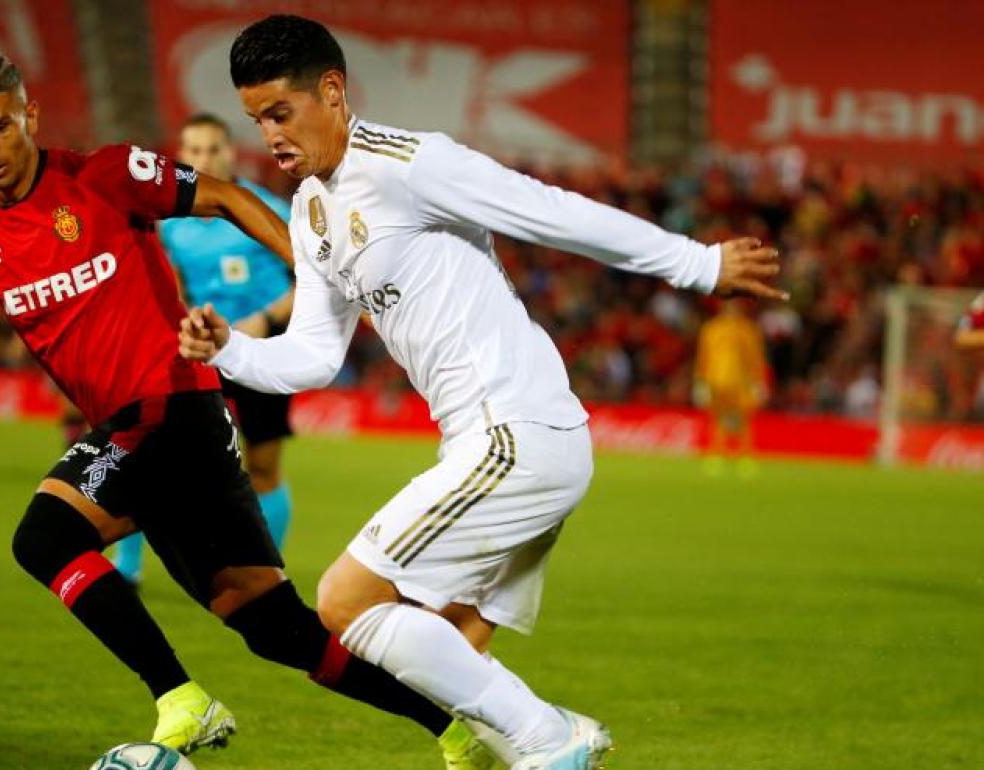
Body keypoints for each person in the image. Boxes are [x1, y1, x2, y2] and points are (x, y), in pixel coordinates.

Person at [180, 16, 786, 770]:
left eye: (280, 112)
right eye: (257, 120)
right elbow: (313, 356)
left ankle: (553, 739)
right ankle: (537, 745)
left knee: (345, 602)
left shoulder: (409, 164)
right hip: (494, 441)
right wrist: (229, 348)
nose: (270, 136)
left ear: (331, 91)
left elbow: (549, 209)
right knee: (452, 644)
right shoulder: (310, 212)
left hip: (514, 433)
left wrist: (695, 263)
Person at [0, 53, 493, 768]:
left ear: (29, 115)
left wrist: (319, 272)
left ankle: (179, 697)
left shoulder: (103, 176)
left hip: (172, 405)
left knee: (43, 539)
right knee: (275, 627)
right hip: (143, 428)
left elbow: (229, 198)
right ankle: (458, 733)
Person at [112, 113, 296, 583]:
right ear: (181, 156)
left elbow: (317, 280)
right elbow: (163, 282)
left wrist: (268, 318)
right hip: (200, 351)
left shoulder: (267, 208)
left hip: (264, 352)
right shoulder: (169, 222)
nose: (204, 159)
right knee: (153, 455)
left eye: (213, 149)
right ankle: (127, 568)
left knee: (262, 468)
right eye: (194, 151)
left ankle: (263, 574)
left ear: (230, 152)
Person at [694, 299, 769, 476]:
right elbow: (703, 356)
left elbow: (755, 357)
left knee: (743, 418)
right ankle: (717, 453)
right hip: (716, 380)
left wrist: (759, 381)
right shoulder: (711, 329)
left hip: (741, 380)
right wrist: (701, 382)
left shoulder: (748, 329)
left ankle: (745, 455)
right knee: (718, 418)